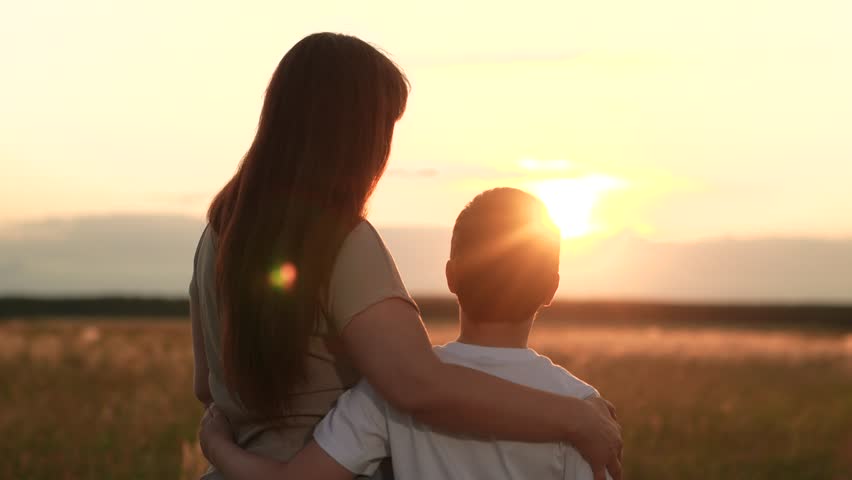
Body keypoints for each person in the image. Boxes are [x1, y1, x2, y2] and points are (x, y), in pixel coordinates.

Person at [190, 32, 622, 480]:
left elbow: (207, 386)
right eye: (384, 129)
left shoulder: (216, 237)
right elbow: (419, 385)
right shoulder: (340, 241)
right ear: (353, 135)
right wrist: (575, 417)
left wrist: (220, 449)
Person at [200, 188, 614, 480]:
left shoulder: (386, 392)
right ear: (551, 289)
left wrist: (218, 447)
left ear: (450, 277)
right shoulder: (585, 411)